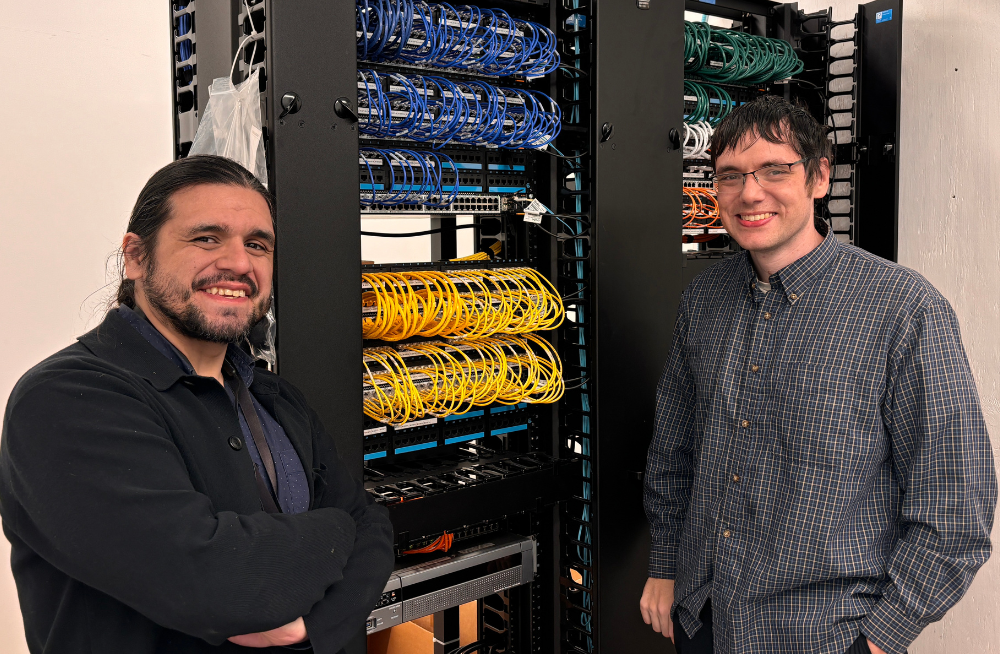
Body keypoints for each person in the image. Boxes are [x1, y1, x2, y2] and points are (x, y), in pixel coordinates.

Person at [639, 96, 996, 654]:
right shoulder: (704, 301)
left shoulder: (903, 310)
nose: (750, 193)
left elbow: (955, 504)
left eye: (775, 170)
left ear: (820, 177)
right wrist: (665, 563)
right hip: (704, 622)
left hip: (823, 636)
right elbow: (673, 449)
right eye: (730, 176)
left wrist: (882, 637)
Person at [0, 155, 394, 653]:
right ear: (136, 257)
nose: (239, 263)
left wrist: (309, 628)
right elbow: (222, 585)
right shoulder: (65, 400)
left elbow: (375, 527)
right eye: (207, 238)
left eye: (257, 244)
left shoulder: (274, 398)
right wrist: (339, 529)